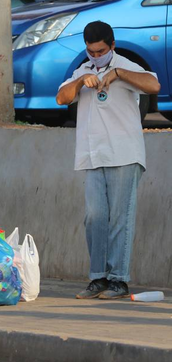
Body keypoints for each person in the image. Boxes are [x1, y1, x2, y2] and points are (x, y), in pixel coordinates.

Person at [56, 21, 160, 300]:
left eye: (100, 51)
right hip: (92, 154)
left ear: (111, 46)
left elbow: (153, 84)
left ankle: (119, 280)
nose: (95, 56)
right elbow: (61, 97)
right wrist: (80, 82)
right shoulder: (83, 69)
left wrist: (118, 74)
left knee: (120, 219)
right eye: (90, 51)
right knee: (94, 217)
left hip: (124, 153)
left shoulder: (125, 65)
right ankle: (98, 278)